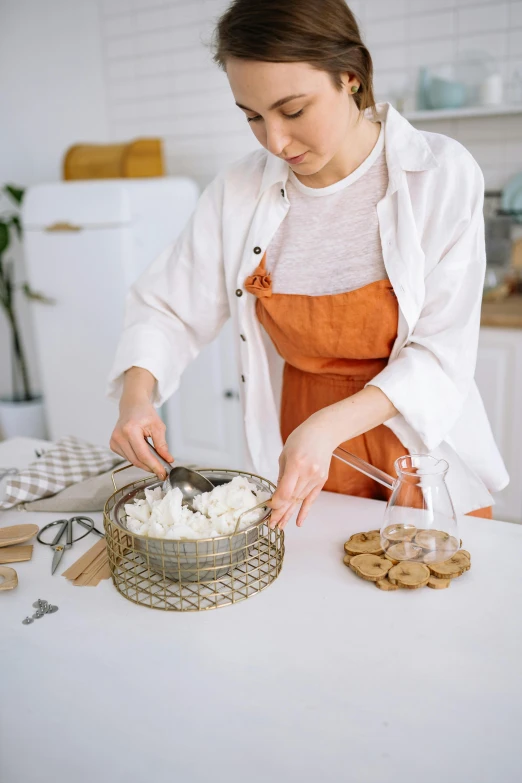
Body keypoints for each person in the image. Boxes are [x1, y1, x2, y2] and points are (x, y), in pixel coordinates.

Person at [108, 0, 508, 530]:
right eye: (252, 116)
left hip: (416, 444)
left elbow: (440, 354)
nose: (275, 140)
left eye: (293, 111)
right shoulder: (238, 192)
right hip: (305, 446)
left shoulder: (440, 174)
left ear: (351, 77)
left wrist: (326, 427)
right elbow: (168, 308)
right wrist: (137, 398)